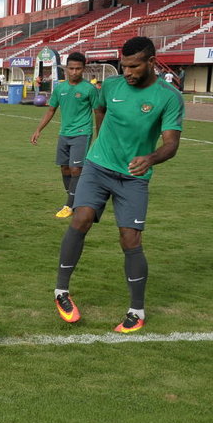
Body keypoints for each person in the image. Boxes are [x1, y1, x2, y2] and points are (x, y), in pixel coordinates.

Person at [52, 36, 183, 333]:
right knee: (81, 216)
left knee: (131, 240)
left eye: (134, 67)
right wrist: (100, 140)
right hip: (98, 166)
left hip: (134, 177)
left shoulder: (169, 97)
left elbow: (171, 144)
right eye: (123, 66)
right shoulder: (111, 86)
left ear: (151, 62)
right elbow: (100, 109)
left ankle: (137, 310)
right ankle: (61, 291)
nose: (127, 73)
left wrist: (150, 159)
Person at [29, 52, 101, 218]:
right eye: (71, 68)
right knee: (65, 167)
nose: (74, 72)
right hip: (64, 133)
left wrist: (99, 135)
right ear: (66, 69)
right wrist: (38, 129)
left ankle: (70, 205)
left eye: (78, 69)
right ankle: (75, 196)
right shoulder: (60, 88)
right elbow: (51, 110)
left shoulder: (89, 89)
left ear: (83, 69)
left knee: (76, 169)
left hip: (82, 133)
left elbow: (98, 112)